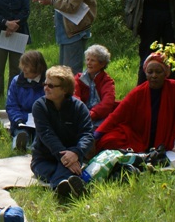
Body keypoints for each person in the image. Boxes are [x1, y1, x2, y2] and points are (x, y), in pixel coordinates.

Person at [95, 52, 175, 154]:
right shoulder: (138, 92)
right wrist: (97, 134)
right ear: (145, 73)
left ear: (165, 73)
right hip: (138, 136)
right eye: (150, 72)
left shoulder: (174, 88)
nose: (154, 76)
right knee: (107, 140)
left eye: (158, 72)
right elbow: (116, 116)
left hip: (162, 140)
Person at [30, 65, 95, 199]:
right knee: (64, 171)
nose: (46, 88)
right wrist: (66, 158)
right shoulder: (39, 106)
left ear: (64, 89)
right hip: (44, 158)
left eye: (51, 86)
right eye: (45, 84)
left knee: (65, 170)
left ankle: (61, 190)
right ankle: (68, 186)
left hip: (73, 155)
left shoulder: (79, 107)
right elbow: (46, 134)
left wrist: (76, 152)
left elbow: (87, 134)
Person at [7, 50, 47, 151]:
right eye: (22, 65)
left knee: (42, 132)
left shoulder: (48, 82)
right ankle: (20, 141)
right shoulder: (16, 81)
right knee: (20, 131)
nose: (23, 69)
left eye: (27, 66)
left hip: (41, 119)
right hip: (22, 119)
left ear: (37, 68)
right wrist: (18, 119)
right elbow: (11, 105)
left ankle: (35, 147)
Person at [74, 44, 118, 126]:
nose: (88, 63)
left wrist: (92, 114)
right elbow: (75, 97)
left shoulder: (107, 81)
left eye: (93, 60)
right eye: (87, 59)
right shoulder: (78, 78)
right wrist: (81, 112)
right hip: (80, 115)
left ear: (102, 64)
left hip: (100, 116)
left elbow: (107, 103)